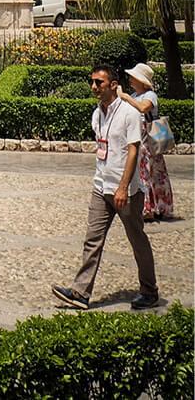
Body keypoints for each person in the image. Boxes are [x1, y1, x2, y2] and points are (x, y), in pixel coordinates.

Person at [51, 61, 158, 310]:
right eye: (92, 82)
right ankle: (80, 292)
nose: (94, 86)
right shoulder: (97, 113)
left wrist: (122, 187)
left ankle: (150, 291)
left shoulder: (129, 113)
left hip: (126, 191)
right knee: (92, 239)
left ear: (113, 85)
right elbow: (103, 149)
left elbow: (133, 151)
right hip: (101, 186)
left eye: (99, 82)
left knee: (137, 240)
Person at [121, 63, 175, 222]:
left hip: (148, 138)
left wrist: (126, 98)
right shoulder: (134, 94)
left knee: (151, 172)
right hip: (138, 136)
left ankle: (153, 207)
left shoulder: (150, 95)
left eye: (133, 77)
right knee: (144, 171)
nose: (130, 79)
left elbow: (143, 109)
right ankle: (148, 206)